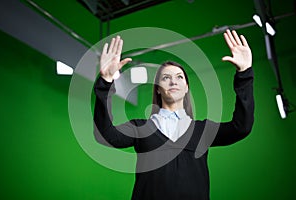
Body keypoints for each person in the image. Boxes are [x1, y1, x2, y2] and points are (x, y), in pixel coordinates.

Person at [93, 29, 254, 200]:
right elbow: (106, 135)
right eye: (165, 78)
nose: (173, 81)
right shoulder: (140, 128)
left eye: (179, 77)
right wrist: (106, 81)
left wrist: (244, 74)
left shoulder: (202, 130)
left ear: (186, 88)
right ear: (158, 89)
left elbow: (241, 127)